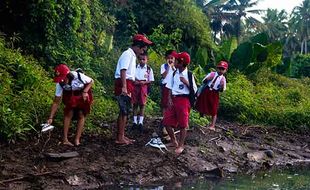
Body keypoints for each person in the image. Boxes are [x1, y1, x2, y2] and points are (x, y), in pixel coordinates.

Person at [114, 34, 153, 145]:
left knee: (125, 111)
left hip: (128, 83)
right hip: (124, 83)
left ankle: (121, 135)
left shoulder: (132, 56)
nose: (144, 49)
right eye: (143, 46)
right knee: (123, 111)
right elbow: (123, 70)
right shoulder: (127, 54)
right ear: (138, 45)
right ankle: (119, 137)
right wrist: (124, 87)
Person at [47, 64, 94, 146]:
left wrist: (85, 91)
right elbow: (56, 101)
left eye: (63, 78)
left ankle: (77, 139)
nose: (62, 80)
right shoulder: (60, 84)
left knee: (81, 114)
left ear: (68, 75)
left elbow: (91, 81)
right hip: (70, 95)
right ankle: (65, 139)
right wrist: (51, 117)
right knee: (69, 112)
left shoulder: (78, 76)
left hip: (81, 93)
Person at [162, 52, 197, 154]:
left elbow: (195, 90)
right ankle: (174, 141)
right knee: (167, 121)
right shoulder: (174, 73)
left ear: (181, 63)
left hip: (184, 100)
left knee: (183, 124)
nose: (174, 61)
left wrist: (186, 82)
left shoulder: (189, 75)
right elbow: (169, 87)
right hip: (174, 99)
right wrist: (169, 99)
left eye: (176, 60)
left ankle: (181, 145)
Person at [195, 60, 228, 131]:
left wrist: (221, 86)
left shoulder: (223, 79)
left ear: (225, 70)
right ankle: (200, 119)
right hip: (206, 91)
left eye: (222, 69)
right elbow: (203, 82)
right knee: (202, 105)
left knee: (214, 109)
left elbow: (222, 90)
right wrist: (208, 79)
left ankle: (212, 125)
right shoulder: (212, 74)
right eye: (219, 68)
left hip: (214, 93)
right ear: (217, 68)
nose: (220, 70)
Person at [132, 52, 154, 133]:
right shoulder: (134, 67)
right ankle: (134, 122)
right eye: (140, 59)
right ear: (138, 59)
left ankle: (140, 122)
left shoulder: (148, 69)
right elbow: (131, 78)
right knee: (135, 104)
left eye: (143, 59)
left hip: (144, 87)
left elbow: (151, 80)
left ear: (147, 60)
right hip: (135, 87)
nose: (142, 61)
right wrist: (137, 82)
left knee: (142, 104)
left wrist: (144, 83)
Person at [159, 50, 177, 138]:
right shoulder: (164, 66)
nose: (170, 60)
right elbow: (164, 76)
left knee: (172, 105)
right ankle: (164, 124)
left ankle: (171, 124)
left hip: (174, 88)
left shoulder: (177, 68)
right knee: (165, 105)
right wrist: (169, 67)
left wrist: (173, 68)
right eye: (168, 58)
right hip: (166, 86)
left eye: (172, 58)